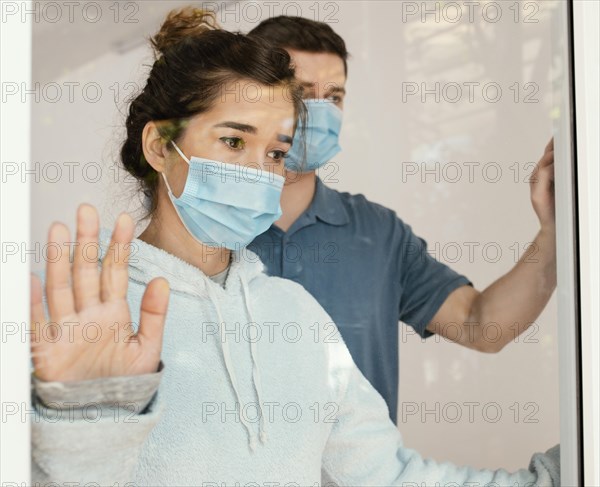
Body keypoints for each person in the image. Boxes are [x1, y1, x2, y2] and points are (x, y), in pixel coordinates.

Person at [29, 7, 560, 486]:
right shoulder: (83, 311)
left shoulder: (298, 313)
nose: (259, 171)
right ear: (159, 146)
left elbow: (391, 476)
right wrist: (80, 424)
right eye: (233, 141)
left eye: (276, 152)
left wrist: (560, 474)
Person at [247, 16, 557, 423]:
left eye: (334, 96)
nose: (319, 112)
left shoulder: (378, 233)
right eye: (302, 94)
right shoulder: (206, 226)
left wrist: (554, 233)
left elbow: (480, 326)